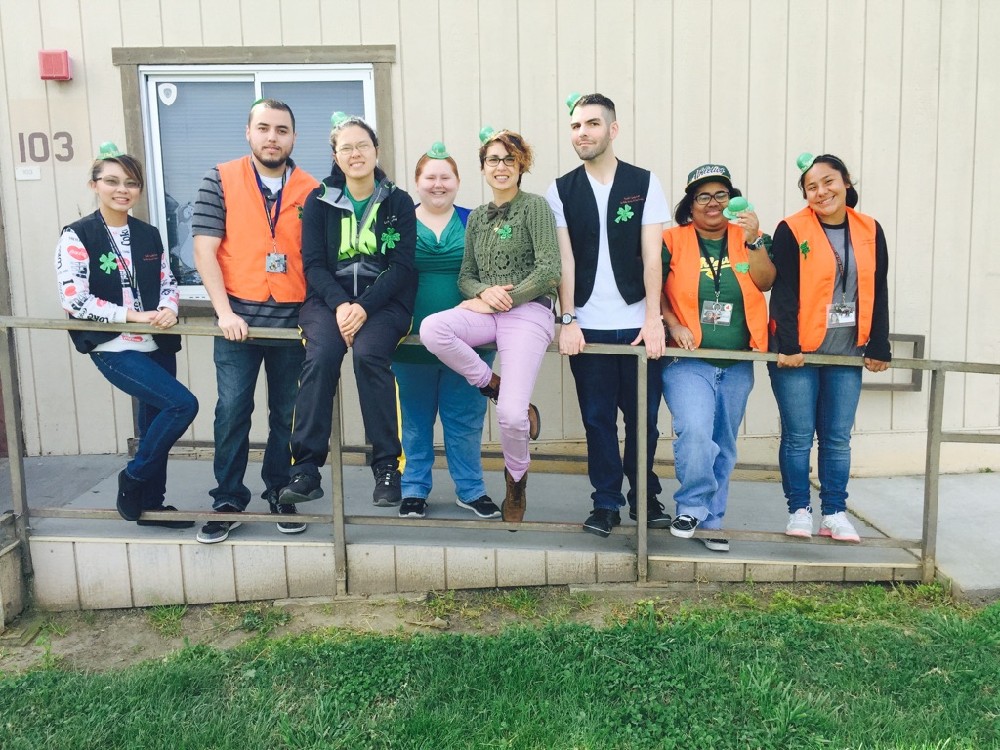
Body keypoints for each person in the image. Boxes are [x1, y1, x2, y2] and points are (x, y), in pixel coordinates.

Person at [192, 98, 318, 543]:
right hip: (237, 323)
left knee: (288, 415)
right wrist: (223, 312)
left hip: (293, 322)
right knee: (231, 412)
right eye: (263, 128)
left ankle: (279, 491)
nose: (272, 137)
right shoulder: (220, 178)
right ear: (249, 132)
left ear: (293, 138)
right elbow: (205, 249)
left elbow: (320, 261)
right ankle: (227, 497)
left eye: (281, 130)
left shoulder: (313, 188)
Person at [421, 128, 560, 523]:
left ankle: (516, 481)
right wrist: (484, 293)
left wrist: (506, 297)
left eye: (509, 159)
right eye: (493, 160)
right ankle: (491, 384)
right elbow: (466, 276)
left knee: (513, 418)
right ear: (483, 168)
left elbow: (550, 270)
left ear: (521, 166)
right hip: (487, 310)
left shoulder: (534, 207)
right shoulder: (478, 217)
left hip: (529, 311)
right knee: (433, 329)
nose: (501, 167)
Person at [278, 114, 417, 508]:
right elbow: (313, 265)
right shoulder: (318, 200)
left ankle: (387, 467)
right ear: (335, 157)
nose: (355, 154)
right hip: (327, 300)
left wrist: (363, 306)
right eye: (346, 148)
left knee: (369, 357)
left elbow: (402, 267)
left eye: (362, 146)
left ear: (376, 151)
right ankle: (306, 468)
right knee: (320, 356)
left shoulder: (399, 201)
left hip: (385, 303)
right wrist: (342, 305)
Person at [56, 143, 198, 528]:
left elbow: (169, 281)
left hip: (155, 343)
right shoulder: (77, 236)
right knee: (182, 405)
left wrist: (169, 308)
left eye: (131, 183)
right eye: (112, 181)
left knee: (153, 424)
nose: (123, 189)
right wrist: (131, 315)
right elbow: (76, 300)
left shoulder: (148, 234)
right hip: (114, 346)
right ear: (94, 185)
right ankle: (133, 478)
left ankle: (152, 505)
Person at [546, 93, 669, 539]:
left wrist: (653, 319)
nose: (583, 133)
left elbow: (652, 256)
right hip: (589, 327)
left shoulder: (644, 182)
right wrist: (568, 318)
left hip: (638, 324)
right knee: (597, 418)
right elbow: (565, 261)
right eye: (576, 126)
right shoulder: (560, 190)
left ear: (612, 130)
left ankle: (645, 494)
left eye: (593, 124)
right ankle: (606, 501)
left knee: (644, 420)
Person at [768, 153, 891, 543]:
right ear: (805, 193)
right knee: (799, 435)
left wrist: (879, 343)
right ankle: (799, 510)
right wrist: (788, 345)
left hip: (846, 352)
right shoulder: (792, 228)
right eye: (812, 186)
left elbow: (879, 286)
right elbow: (783, 290)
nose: (821, 191)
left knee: (837, 437)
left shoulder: (870, 229)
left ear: (846, 182)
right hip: (798, 351)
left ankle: (834, 512)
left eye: (828, 181)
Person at [660, 164, 776, 552]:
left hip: (738, 360)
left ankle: (712, 522)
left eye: (721, 195)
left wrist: (754, 238)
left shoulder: (749, 237)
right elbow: (651, 286)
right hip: (687, 360)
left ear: (732, 201)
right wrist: (673, 322)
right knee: (694, 432)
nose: (713, 203)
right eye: (703, 197)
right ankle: (692, 504)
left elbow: (765, 281)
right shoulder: (671, 240)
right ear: (690, 206)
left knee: (723, 443)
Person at [393, 143, 499, 519]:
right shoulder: (400, 222)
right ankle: (414, 489)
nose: (438, 184)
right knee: (415, 419)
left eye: (446, 177)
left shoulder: (477, 221)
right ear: (417, 182)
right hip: (409, 342)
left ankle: (471, 490)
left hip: (468, 343)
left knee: (465, 420)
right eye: (430, 177)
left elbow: (495, 273)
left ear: (457, 182)